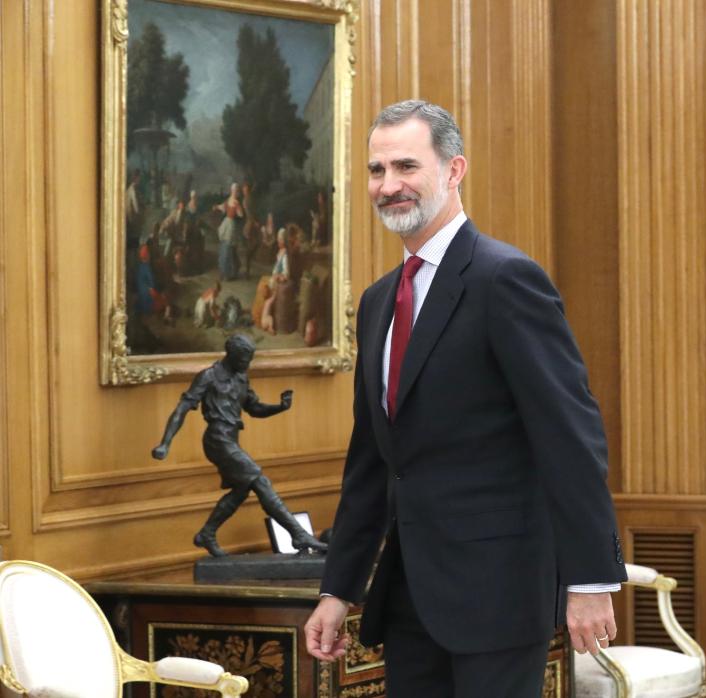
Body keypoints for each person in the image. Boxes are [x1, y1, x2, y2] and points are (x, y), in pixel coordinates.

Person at [303, 100, 625, 696]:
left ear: (454, 171)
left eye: (406, 166)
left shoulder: (505, 280)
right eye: (376, 171)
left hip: (498, 598)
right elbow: (373, 461)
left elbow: (570, 435)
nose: (388, 186)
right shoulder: (378, 302)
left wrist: (590, 579)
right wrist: (338, 588)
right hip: (407, 600)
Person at [151, 334, 329, 558]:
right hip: (217, 440)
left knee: (241, 490)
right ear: (232, 355)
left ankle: (207, 533)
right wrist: (165, 443)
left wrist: (280, 407)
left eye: (249, 360)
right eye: (244, 360)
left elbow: (254, 409)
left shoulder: (241, 377)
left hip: (231, 439)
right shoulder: (208, 376)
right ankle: (298, 534)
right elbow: (182, 409)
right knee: (260, 481)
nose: (247, 364)